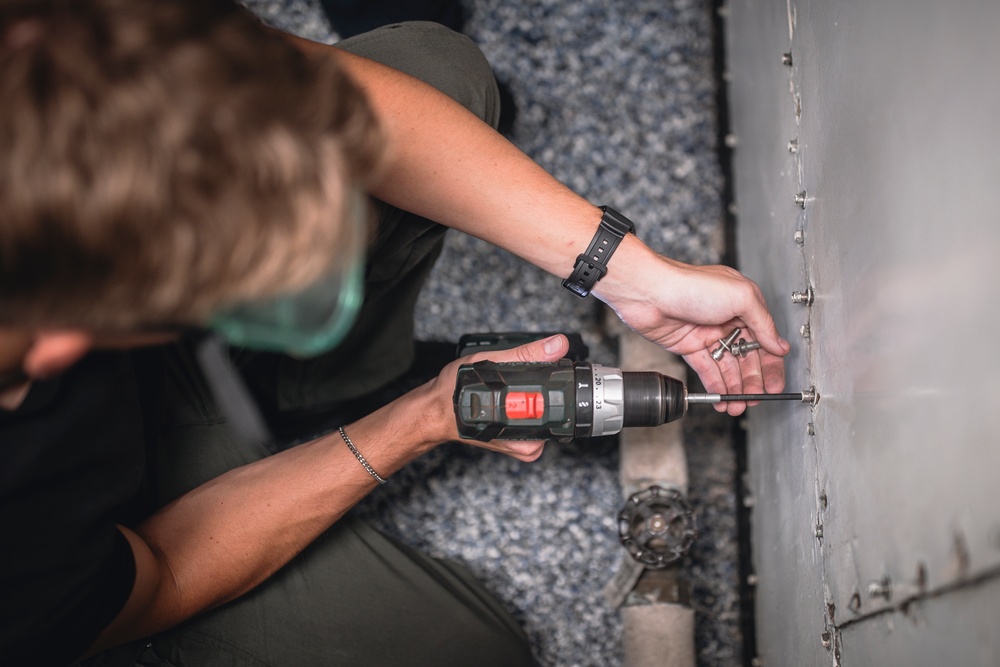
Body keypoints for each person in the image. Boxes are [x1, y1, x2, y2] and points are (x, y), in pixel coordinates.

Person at [0, 0, 790, 665]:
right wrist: (414, 422)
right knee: (473, 651)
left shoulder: (66, 39)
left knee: (439, 73)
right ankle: (305, 394)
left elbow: (346, 101)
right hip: (121, 553)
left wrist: (628, 274)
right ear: (68, 342)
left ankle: (316, 384)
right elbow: (162, 573)